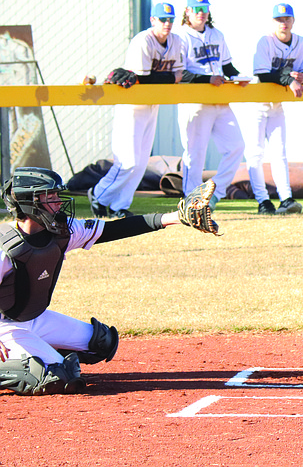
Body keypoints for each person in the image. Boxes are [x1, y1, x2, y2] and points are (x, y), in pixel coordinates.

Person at [0, 167, 211, 395]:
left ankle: (35, 355)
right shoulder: (6, 248)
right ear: (29, 203)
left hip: (34, 319)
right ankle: (27, 361)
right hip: (4, 327)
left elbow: (115, 229)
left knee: (102, 343)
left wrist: (177, 218)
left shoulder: (63, 232)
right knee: (59, 378)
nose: (58, 201)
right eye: (50, 196)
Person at [88, 2, 184, 219]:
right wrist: (169, 78)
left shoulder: (176, 41)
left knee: (140, 163)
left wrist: (168, 78)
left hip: (152, 106)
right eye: (163, 19)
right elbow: (144, 79)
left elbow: (181, 74)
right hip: (131, 107)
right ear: (153, 21)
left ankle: (119, 205)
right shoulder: (143, 40)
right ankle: (98, 194)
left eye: (170, 19)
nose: (167, 24)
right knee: (127, 161)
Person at [175, 0, 249, 208]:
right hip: (195, 102)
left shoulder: (217, 34)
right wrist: (207, 78)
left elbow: (227, 66)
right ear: (187, 11)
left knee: (236, 146)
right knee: (195, 153)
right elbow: (179, 74)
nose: (201, 12)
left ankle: (214, 191)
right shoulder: (180, 36)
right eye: (197, 8)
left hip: (220, 100)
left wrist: (237, 77)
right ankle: (192, 200)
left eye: (204, 8)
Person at [246, 3, 303, 215]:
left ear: (293, 21)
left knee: (279, 152)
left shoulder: (301, 43)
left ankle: (286, 198)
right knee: (255, 153)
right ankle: (263, 201)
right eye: (279, 19)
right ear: (273, 22)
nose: (283, 23)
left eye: (286, 19)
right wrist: (289, 80)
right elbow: (263, 73)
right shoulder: (265, 41)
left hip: (277, 105)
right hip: (258, 103)